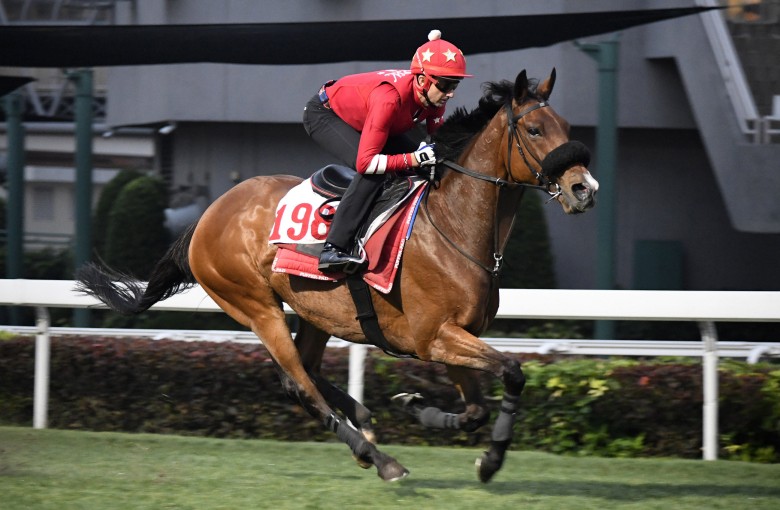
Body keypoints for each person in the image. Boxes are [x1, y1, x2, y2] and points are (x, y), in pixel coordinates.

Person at [302, 29, 472, 273]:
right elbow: (366, 163)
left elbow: (438, 145)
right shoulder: (389, 99)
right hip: (326, 115)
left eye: (455, 84)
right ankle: (333, 248)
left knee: (429, 164)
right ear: (423, 81)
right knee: (375, 172)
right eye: (446, 85)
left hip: (377, 120)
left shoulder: (433, 98)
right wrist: (412, 158)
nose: (451, 93)